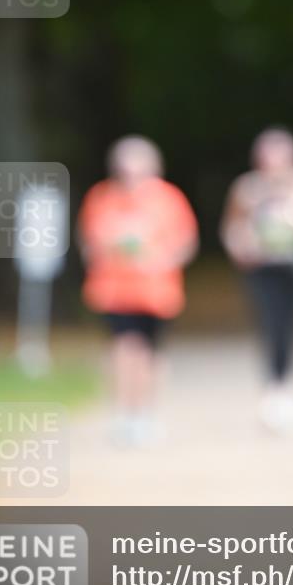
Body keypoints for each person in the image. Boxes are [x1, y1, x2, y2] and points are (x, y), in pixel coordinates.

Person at [77, 135, 199, 445]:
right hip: (114, 290)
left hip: (157, 292)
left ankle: (147, 414)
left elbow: (186, 242)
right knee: (123, 349)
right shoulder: (101, 197)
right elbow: (88, 241)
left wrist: (160, 259)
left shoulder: (169, 199)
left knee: (151, 354)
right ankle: (124, 413)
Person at [220, 127, 293, 433]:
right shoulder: (247, 188)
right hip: (262, 268)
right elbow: (231, 228)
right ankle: (273, 389)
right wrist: (241, 245)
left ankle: (291, 384)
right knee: (269, 324)